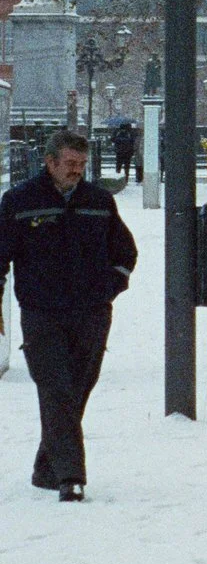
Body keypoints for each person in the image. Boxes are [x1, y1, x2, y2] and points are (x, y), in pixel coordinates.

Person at [0, 129, 139, 501]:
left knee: (77, 388)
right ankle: (71, 477)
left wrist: (111, 286)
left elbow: (124, 252)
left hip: (92, 312)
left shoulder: (99, 201)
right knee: (55, 388)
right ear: (50, 163)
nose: (77, 171)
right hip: (41, 312)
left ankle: (47, 468)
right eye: (70, 164)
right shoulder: (19, 201)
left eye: (81, 165)